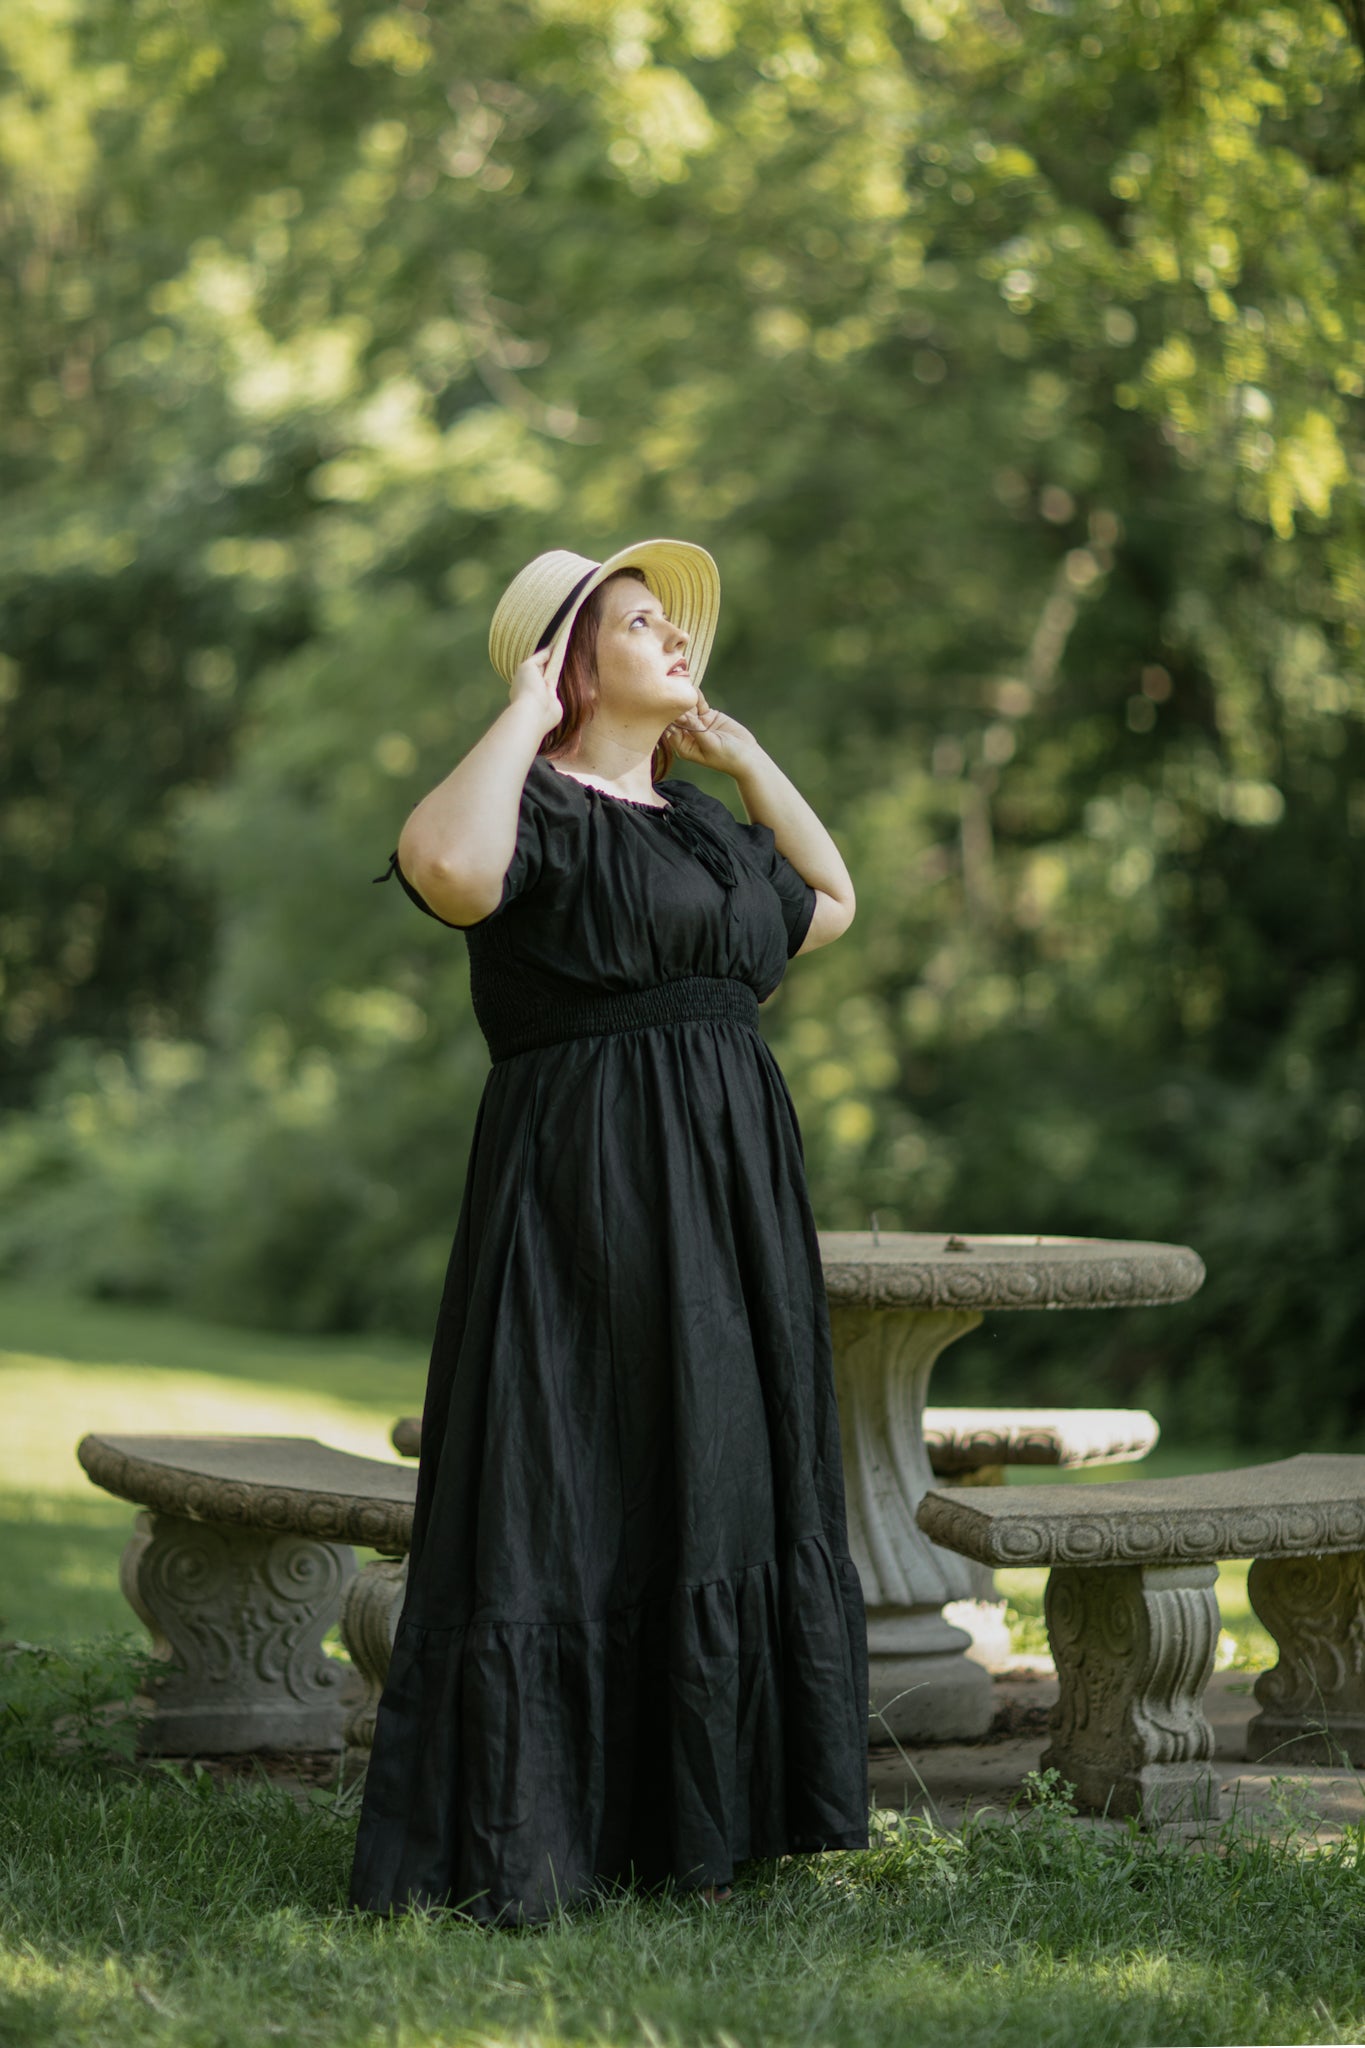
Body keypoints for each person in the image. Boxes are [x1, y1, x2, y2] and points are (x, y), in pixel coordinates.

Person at [351, 538, 869, 1926]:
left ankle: (699, 1816)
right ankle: (538, 1825)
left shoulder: (702, 827)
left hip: (727, 1183)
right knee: (571, 1464)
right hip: (584, 1177)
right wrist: (522, 712)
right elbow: (445, 872)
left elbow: (827, 905)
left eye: (670, 623)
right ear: (573, 661)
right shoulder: (527, 805)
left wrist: (750, 764)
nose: (673, 640)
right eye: (636, 624)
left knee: (713, 1461)